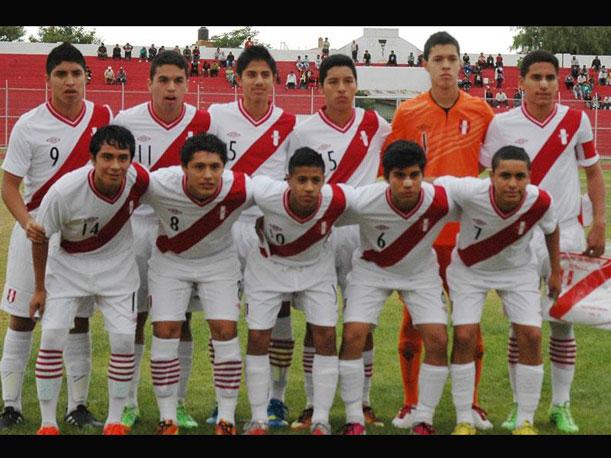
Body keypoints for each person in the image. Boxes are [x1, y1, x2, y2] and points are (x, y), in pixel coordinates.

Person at [480, 50, 606, 434]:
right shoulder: (501, 125)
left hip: (565, 231)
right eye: (536, 77)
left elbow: (594, 172)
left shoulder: (576, 119)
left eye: (551, 78)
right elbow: (488, 178)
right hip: (518, 235)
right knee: (521, 323)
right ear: (521, 82)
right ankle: (520, 409)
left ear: (558, 81)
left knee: (563, 321)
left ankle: (561, 406)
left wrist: (600, 221)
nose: (544, 85)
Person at [382, 31, 495, 431]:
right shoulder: (407, 113)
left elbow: (496, 171)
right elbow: (391, 175)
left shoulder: (482, 111)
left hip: (467, 236)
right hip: (423, 235)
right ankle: (411, 403)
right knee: (416, 320)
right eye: (438, 59)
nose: (445, 65)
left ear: (461, 63)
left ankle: (474, 403)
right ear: (425, 64)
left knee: (470, 324)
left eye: (452, 58)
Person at [0, 42, 112, 431]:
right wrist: (25, 219)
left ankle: (77, 407)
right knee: (22, 319)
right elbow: (10, 185)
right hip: (34, 234)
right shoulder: (29, 125)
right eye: (61, 74)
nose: (69, 81)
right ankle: (10, 406)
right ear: (47, 80)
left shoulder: (105, 116)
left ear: (86, 77)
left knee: (78, 321)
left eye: (76, 73)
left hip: (80, 239)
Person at [112, 50, 222, 431]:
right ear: (150, 82)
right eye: (164, 80)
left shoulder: (204, 122)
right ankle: (126, 403)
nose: (171, 88)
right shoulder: (126, 120)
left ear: (188, 84)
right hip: (134, 229)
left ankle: (177, 403)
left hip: (182, 232)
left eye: (178, 81)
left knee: (181, 318)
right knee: (133, 317)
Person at [286, 54, 391, 431]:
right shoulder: (304, 132)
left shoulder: (376, 124)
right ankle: (314, 406)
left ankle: (361, 404)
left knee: (361, 324)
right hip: (321, 233)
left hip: (363, 236)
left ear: (356, 85)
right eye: (334, 82)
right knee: (320, 324)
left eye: (348, 81)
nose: (342, 88)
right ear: (322, 86)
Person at [29, 125, 149, 435]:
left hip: (118, 270)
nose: (115, 166)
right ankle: (47, 423)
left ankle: (114, 420)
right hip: (68, 267)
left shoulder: (139, 180)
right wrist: (40, 288)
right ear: (92, 159)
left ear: (132, 160)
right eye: (107, 157)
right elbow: (41, 237)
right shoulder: (64, 191)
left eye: (123, 158)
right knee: (53, 336)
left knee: (124, 340)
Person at [336, 140, 456, 436]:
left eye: (414, 175)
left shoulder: (442, 199)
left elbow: (486, 201)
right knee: (353, 335)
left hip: (419, 273)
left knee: (438, 339)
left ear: (423, 174)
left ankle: (424, 419)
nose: (407, 183)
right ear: (386, 177)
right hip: (371, 271)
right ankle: (354, 417)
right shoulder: (363, 200)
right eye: (399, 175)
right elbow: (325, 211)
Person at [440, 146, 560, 435]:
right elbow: (433, 184)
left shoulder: (540, 200)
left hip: (517, 272)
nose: (513, 183)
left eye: (520, 176)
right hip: (469, 270)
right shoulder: (470, 190)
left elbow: (551, 229)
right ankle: (464, 418)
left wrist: (555, 270)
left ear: (530, 177)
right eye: (505, 175)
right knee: (465, 335)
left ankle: (525, 421)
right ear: (491, 176)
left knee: (531, 335)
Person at [206, 45, 296, 427]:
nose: (258, 81)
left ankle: (277, 398)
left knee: (279, 312)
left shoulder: (291, 124)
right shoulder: (216, 117)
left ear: (274, 79)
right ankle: (221, 400)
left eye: (265, 74)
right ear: (238, 79)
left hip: (270, 230)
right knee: (220, 315)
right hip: (226, 228)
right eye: (251, 74)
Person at [141, 133, 254, 435]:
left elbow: (282, 195)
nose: (207, 175)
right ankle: (168, 417)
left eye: (215, 167)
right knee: (165, 331)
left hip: (219, 263)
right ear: (184, 168)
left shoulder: (241, 186)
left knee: (225, 331)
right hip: (170, 262)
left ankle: (226, 418)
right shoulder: (158, 183)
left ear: (224, 168)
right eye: (199, 167)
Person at [241, 147, 355, 435]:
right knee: (257, 336)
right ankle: (258, 418)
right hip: (268, 270)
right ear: (287, 179)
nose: (309, 188)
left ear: (324, 180)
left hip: (316, 271)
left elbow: (375, 203)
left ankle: (321, 418)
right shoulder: (266, 192)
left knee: (326, 336)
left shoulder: (337, 199)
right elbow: (230, 191)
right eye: (301, 180)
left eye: (316, 181)